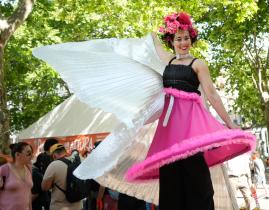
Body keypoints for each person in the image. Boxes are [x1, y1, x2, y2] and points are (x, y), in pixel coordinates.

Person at [33, 11, 256, 210]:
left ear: (192, 39)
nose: (183, 42)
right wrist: (169, 23)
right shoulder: (167, 61)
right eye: (178, 38)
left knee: (198, 179)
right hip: (169, 130)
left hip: (190, 127)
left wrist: (229, 122)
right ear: (172, 41)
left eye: (186, 38)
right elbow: (150, 40)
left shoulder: (198, 64)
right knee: (171, 183)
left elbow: (212, 93)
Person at [41, 143, 83, 210]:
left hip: (60, 207)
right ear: (65, 152)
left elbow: (44, 187)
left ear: (54, 156)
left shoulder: (54, 165)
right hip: (79, 206)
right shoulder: (77, 163)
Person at [0, 142, 33, 210]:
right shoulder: (4, 170)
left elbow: (28, 193)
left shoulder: (29, 168)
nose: (31, 155)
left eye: (32, 153)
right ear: (17, 154)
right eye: (29, 153)